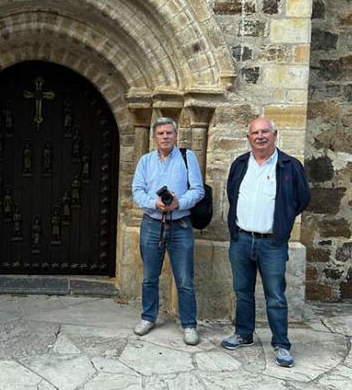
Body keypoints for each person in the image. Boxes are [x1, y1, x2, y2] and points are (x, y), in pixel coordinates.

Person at [222, 117, 310, 368]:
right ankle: (244, 334)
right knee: (242, 291)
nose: (260, 136)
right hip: (241, 239)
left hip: (272, 243)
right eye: (255, 133)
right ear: (248, 137)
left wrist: (282, 222)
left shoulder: (290, 166)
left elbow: (302, 199)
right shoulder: (240, 164)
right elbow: (232, 193)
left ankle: (281, 344)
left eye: (265, 132)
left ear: (275, 134)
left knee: (275, 296)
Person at [131, 117, 204, 345]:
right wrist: (156, 204)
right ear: (154, 137)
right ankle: (148, 317)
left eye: (169, 133)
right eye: (161, 133)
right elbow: (137, 191)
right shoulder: (145, 161)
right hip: (152, 224)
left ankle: (189, 324)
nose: (165, 137)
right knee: (149, 277)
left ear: (175, 135)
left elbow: (198, 190)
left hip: (180, 225)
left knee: (184, 279)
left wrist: (178, 203)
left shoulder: (187, 157)